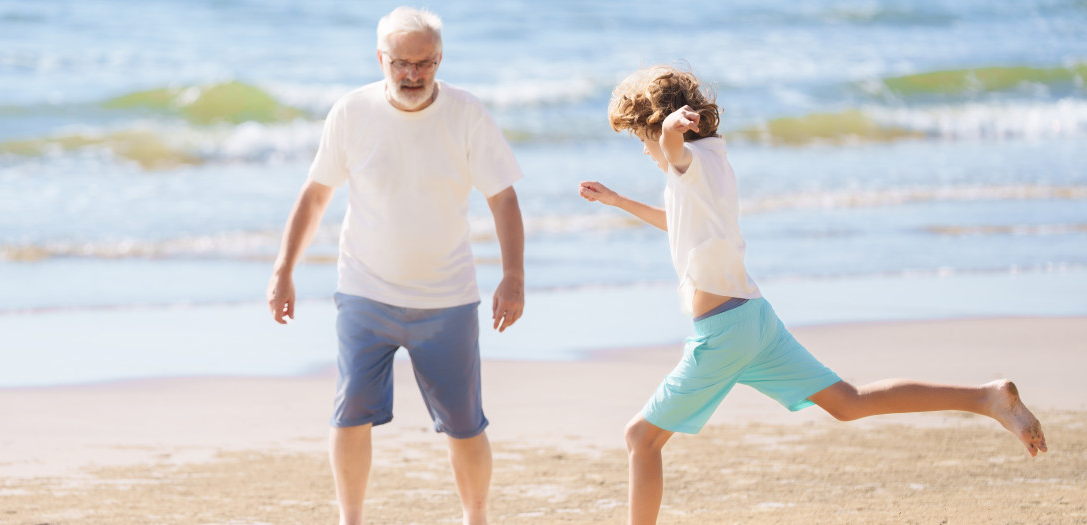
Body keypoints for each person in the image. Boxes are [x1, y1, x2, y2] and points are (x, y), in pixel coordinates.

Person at [578, 64, 1047, 525]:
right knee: (849, 402)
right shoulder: (712, 164)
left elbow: (671, 148)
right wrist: (617, 200)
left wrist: (669, 133)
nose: (645, 152)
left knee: (641, 438)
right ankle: (986, 398)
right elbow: (677, 222)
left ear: (664, 125)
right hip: (754, 320)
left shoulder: (684, 158)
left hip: (724, 332)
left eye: (642, 140)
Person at [265, 7, 524, 525]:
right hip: (364, 291)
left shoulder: (467, 113)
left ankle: (476, 518)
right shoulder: (351, 111)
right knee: (350, 411)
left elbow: (503, 198)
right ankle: (351, 518)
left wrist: (513, 276)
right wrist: (283, 268)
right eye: (401, 64)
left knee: (464, 423)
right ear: (381, 58)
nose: (412, 75)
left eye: (423, 63)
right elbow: (316, 195)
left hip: (446, 297)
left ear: (439, 58)